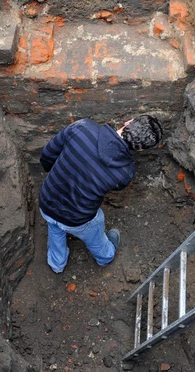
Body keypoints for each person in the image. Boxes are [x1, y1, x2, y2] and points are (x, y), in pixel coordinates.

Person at [39, 115, 163, 273]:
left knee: (54, 226)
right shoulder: (125, 172)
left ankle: (57, 264)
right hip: (77, 218)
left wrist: (62, 174)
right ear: (140, 149)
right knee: (95, 227)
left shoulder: (82, 128)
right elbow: (111, 187)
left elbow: (47, 156)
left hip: (47, 199)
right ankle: (105, 256)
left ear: (128, 122)